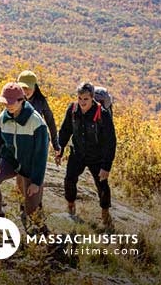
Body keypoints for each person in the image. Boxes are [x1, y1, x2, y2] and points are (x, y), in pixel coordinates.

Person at [0, 82, 48, 227]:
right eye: (5, 103)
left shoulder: (37, 122)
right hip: (10, 160)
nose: (8, 106)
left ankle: (40, 234)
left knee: (31, 211)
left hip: (30, 166)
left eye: (11, 103)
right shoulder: (2, 119)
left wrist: (36, 182)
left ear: (21, 100)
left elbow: (41, 155)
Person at [56, 82, 117, 229]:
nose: (82, 102)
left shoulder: (102, 114)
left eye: (86, 99)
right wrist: (60, 149)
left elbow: (111, 142)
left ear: (92, 98)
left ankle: (105, 213)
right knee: (69, 179)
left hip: (97, 156)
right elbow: (65, 130)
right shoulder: (73, 109)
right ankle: (71, 206)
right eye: (80, 98)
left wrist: (106, 166)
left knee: (102, 185)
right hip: (77, 153)